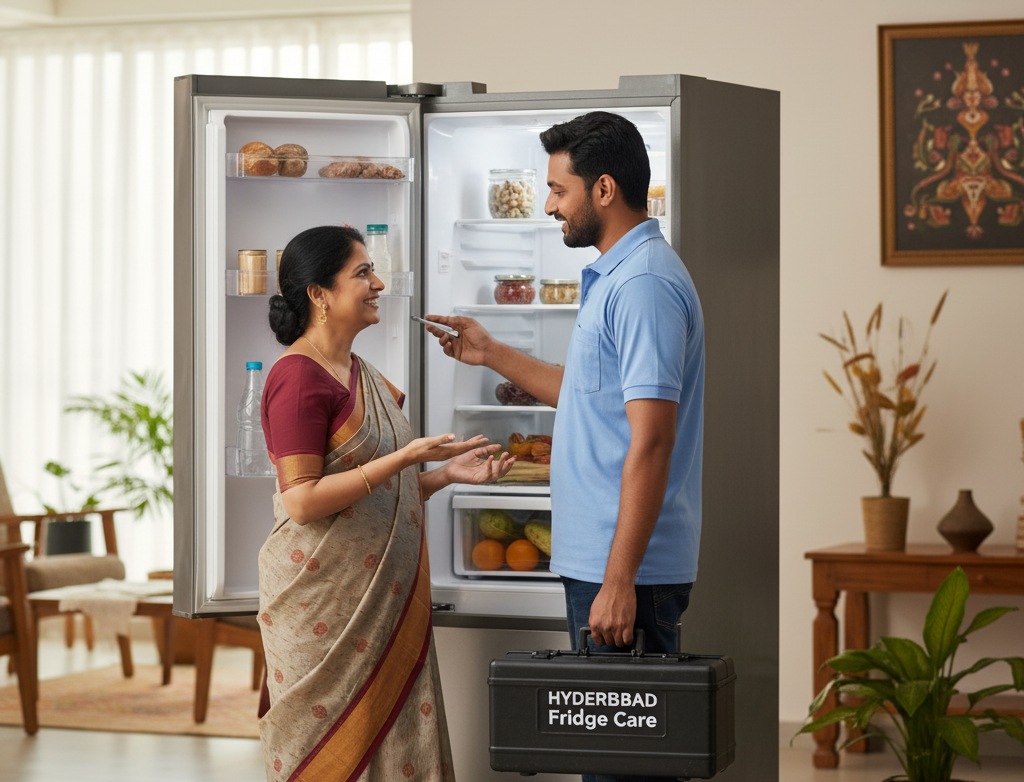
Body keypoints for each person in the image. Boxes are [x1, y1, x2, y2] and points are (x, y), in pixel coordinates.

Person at [425, 112, 704, 782]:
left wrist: (618, 580)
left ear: (603, 190)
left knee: (621, 772)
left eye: (559, 190)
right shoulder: (619, 275)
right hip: (602, 559)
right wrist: (489, 352)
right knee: (608, 765)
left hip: (625, 568)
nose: (549, 206)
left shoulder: (642, 287)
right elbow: (586, 393)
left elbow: (653, 441)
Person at [257, 225, 513, 782]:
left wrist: (443, 475)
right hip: (323, 609)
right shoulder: (297, 380)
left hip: (380, 607)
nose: (377, 283)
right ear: (318, 295)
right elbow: (302, 503)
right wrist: (402, 459)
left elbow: (374, 503)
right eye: (361, 273)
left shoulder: (357, 373)